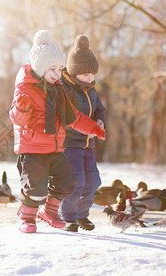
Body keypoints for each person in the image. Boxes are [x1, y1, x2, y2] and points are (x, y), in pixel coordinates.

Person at [9, 30, 105, 233]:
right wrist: (22, 107)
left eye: (60, 69)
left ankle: (50, 212)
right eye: (52, 68)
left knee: (69, 182)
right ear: (39, 67)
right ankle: (27, 217)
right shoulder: (26, 89)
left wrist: (93, 127)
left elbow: (73, 117)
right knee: (36, 188)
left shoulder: (58, 89)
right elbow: (17, 118)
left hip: (54, 148)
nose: (57, 73)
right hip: (32, 149)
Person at [59, 35, 105, 232]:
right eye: (86, 75)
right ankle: (68, 217)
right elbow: (67, 117)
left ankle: (81, 215)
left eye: (92, 74)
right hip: (70, 144)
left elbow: (99, 109)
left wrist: (100, 122)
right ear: (74, 72)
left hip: (88, 144)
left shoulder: (91, 91)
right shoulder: (66, 90)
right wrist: (88, 127)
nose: (90, 78)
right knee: (75, 181)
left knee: (93, 181)